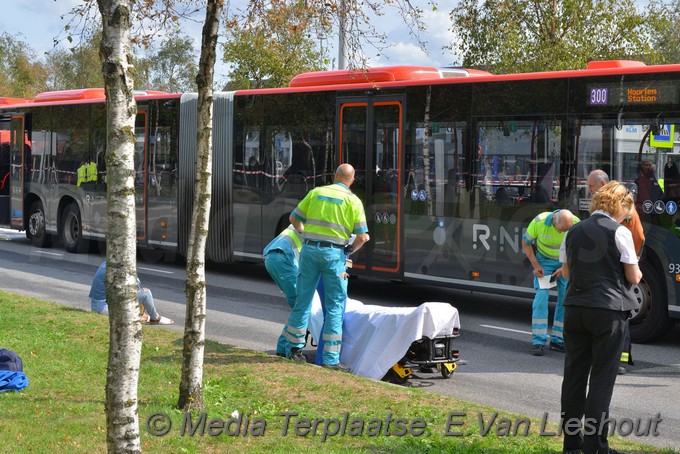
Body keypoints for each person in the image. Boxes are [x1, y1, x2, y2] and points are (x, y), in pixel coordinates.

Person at [559, 181, 642, 454]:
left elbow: (568, 273)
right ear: (618, 205)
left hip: (574, 309)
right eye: (626, 213)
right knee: (601, 380)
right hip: (608, 312)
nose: (626, 218)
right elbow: (633, 276)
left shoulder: (572, 232)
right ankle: (595, 446)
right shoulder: (620, 232)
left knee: (574, 376)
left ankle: (571, 443)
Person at [284, 163, 369, 371]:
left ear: (334, 176)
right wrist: (349, 250)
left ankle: (293, 350)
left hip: (310, 251)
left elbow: (293, 218)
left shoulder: (316, 193)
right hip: (334, 256)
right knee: (335, 305)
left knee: (303, 299)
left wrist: (306, 234)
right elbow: (362, 237)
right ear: (352, 180)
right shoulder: (353, 201)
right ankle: (330, 360)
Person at [588, 169, 645, 374]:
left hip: (622, 262)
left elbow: (636, 236)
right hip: (622, 260)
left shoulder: (622, 210)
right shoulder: (616, 208)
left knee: (620, 313)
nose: (589, 191)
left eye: (591, 187)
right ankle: (616, 358)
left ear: (603, 185)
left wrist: (630, 261)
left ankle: (618, 360)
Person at [522, 209, 579, 356]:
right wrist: (536, 266)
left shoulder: (575, 223)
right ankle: (538, 342)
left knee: (565, 300)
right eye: (563, 230)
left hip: (565, 263)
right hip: (544, 263)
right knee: (541, 298)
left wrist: (563, 267)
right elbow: (525, 243)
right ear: (555, 221)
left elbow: (579, 249)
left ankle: (557, 340)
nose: (564, 233)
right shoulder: (539, 222)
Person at [89, 260, 174, 325]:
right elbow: (135, 285)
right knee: (146, 294)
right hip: (104, 307)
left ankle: (142, 316)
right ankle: (155, 318)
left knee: (138, 296)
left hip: (98, 305)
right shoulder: (117, 270)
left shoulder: (108, 263)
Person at [263, 224, 303, 357]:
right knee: (300, 307)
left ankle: (283, 348)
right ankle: (290, 350)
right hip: (284, 259)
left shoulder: (309, 215)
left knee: (298, 307)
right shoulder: (317, 223)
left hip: (275, 256)